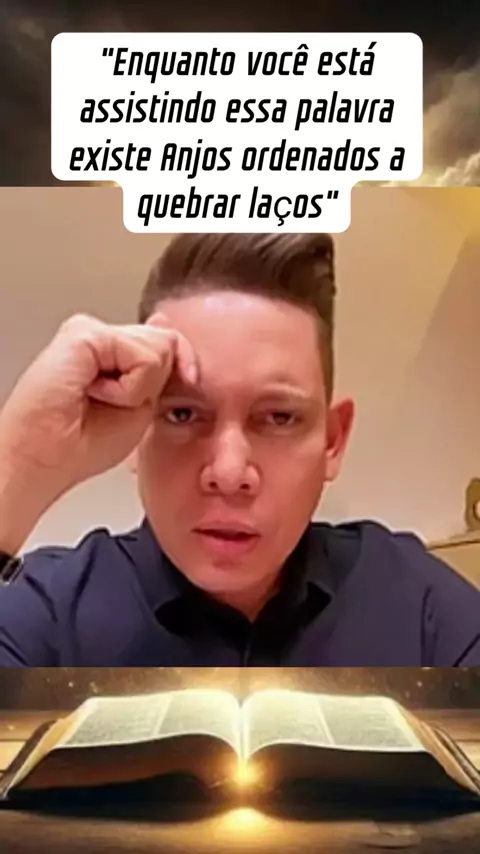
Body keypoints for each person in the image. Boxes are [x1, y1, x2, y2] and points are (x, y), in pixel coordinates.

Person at [0, 232, 478, 666]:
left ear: (333, 441)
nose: (229, 474)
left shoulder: (418, 606)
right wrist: (19, 463)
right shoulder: (48, 616)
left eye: (279, 417)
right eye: (182, 413)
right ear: (135, 433)